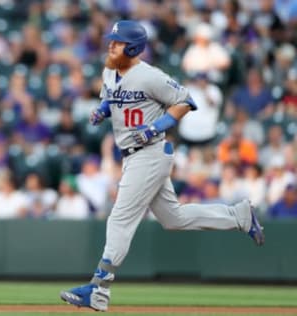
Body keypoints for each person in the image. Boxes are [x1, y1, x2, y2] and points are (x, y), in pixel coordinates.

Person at [59, 20, 264, 312]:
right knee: (174, 219)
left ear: (132, 47)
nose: (110, 45)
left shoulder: (149, 76)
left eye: (117, 42)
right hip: (133, 155)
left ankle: (98, 289)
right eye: (112, 40)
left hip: (150, 152)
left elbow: (185, 101)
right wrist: (102, 111)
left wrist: (155, 128)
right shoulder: (109, 71)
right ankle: (238, 216)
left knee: (120, 218)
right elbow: (111, 98)